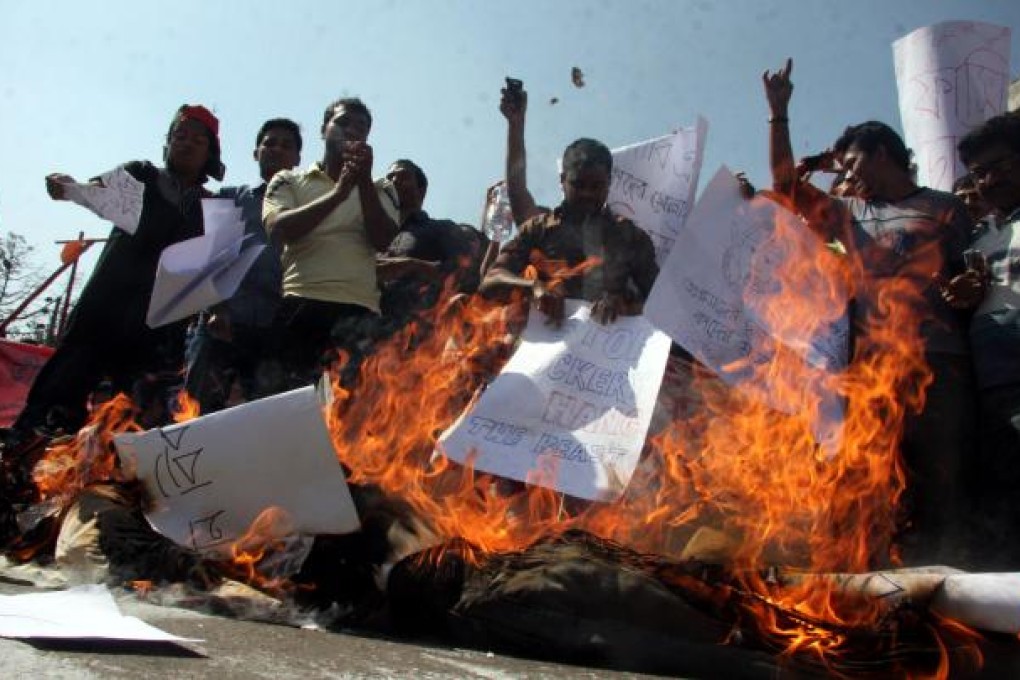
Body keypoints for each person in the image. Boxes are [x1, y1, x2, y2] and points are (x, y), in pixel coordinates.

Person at [762, 59, 977, 561]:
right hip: (871, 368)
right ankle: (869, 576)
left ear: (883, 153)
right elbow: (786, 185)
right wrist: (779, 114)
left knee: (942, 480)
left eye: (853, 163)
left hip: (940, 363)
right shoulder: (849, 214)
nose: (848, 174)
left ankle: (949, 586)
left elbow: (973, 280)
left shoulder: (947, 208)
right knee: (868, 480)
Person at [9, 105, 222, 438]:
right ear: (166, 143)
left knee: (136, 424)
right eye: (180, 135)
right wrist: (68, 187)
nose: (188, 144)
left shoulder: (212, 208)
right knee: (54, 405)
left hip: (157, 331)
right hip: (102, 311)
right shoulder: (140, 175)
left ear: (210, 154)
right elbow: (94, 190)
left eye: (199, 140)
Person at [262, 98, 399, 386]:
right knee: (292, 411)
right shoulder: (288, 180)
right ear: (324, 130)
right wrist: (338, 194)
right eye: (342, 123)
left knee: (351, 420)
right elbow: (279, 229)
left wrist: (362, 183)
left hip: (360, 314)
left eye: (361, 127)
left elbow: (384, 240)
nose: (352, 130)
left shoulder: (382, 189)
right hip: (301, 306)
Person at [184, 118, 302, 412]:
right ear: (256, 153)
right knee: (197, 412)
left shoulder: (308, 209)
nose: (277, 149)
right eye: (269, 143)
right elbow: (210, 256)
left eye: (286, 145)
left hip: (275, 330)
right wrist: (216, 309)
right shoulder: (230, 197)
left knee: (264, 418)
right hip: (222, 323)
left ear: (298, 159)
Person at [479, 137, 658, 326]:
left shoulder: (630, 237)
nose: (587, 193)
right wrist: (533, 288)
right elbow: (490, 281)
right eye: (578, 185)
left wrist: (624, 306)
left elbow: (660, 303)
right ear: (563, 180)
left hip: (612, 346)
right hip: (545, 346)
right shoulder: (537, 230)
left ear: (609, 183)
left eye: (596, 186)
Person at [946, 113, 1020, 560]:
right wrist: (966, 297)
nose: (988, 181)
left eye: (1000, 166)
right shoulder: (980, 238)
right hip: (991, 385)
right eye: (978, 174)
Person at [377, 159, 486, 321]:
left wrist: (413, 266)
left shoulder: (441, 228)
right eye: (390, 177)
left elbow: (465, 273)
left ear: (421, 191)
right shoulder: (372, 237)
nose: (393, 182)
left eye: (403, 177)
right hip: (373, 332)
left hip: (423, 331)